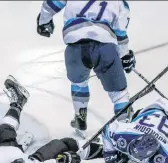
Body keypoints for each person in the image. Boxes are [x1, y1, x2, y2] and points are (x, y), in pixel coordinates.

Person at [36, 1, 136, 138]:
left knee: (79, 83)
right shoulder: (121, 3)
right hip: (105, 48)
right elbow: (121, 33)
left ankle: (80, 118)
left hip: (75, 46)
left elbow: (51, 4)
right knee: (119, 94)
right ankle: (126, 128)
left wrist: (43, 21)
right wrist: (124, 55)